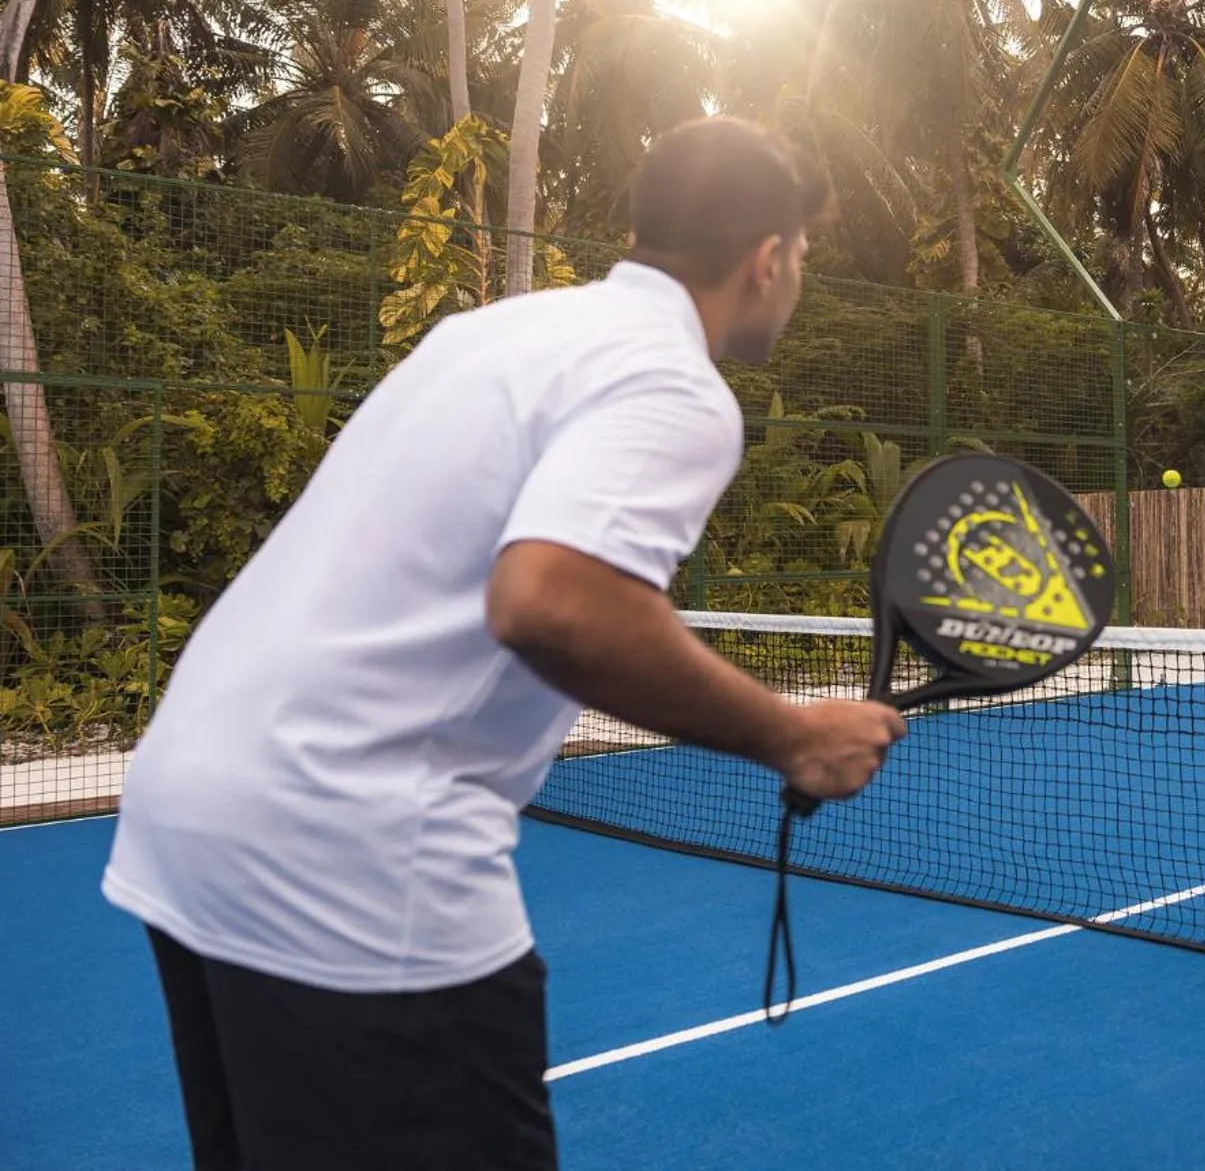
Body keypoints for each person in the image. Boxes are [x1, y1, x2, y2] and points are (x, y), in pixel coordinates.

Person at [100, 117, 907, 1171]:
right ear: (765, 262)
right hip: (351, 850)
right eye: (801, 255)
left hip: (189, 809)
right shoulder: (673, 387)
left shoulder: (489, 333)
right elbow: (552, 602)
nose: (799, 278)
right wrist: (792, 736)